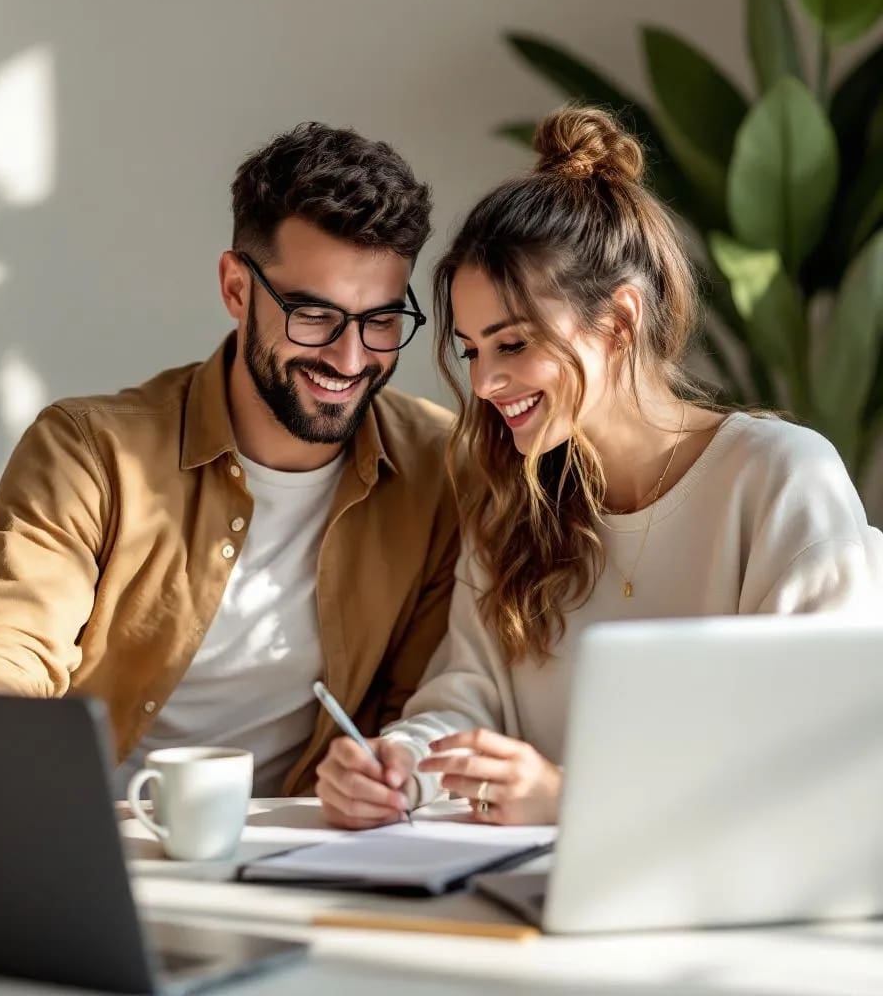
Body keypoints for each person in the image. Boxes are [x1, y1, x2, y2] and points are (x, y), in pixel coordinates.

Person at [315, 106, 883, 828]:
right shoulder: (513, 500)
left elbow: (822, 757)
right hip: (525, 886)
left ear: (619, 321)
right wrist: (398, 765)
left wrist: (570, 797)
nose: (484, 383)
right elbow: (466, 696)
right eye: (472, 350)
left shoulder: (779, 480)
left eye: (513, 344)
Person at [0, 122, 461, 798]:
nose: (350, 358)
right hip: (102, 829)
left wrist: (391, 776)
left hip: (313, 839)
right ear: (236, 288)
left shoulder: (440, 466)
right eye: (312, 315)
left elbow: (418, 705)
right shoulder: (88, 451)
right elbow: (7, 644)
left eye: (380, 320)